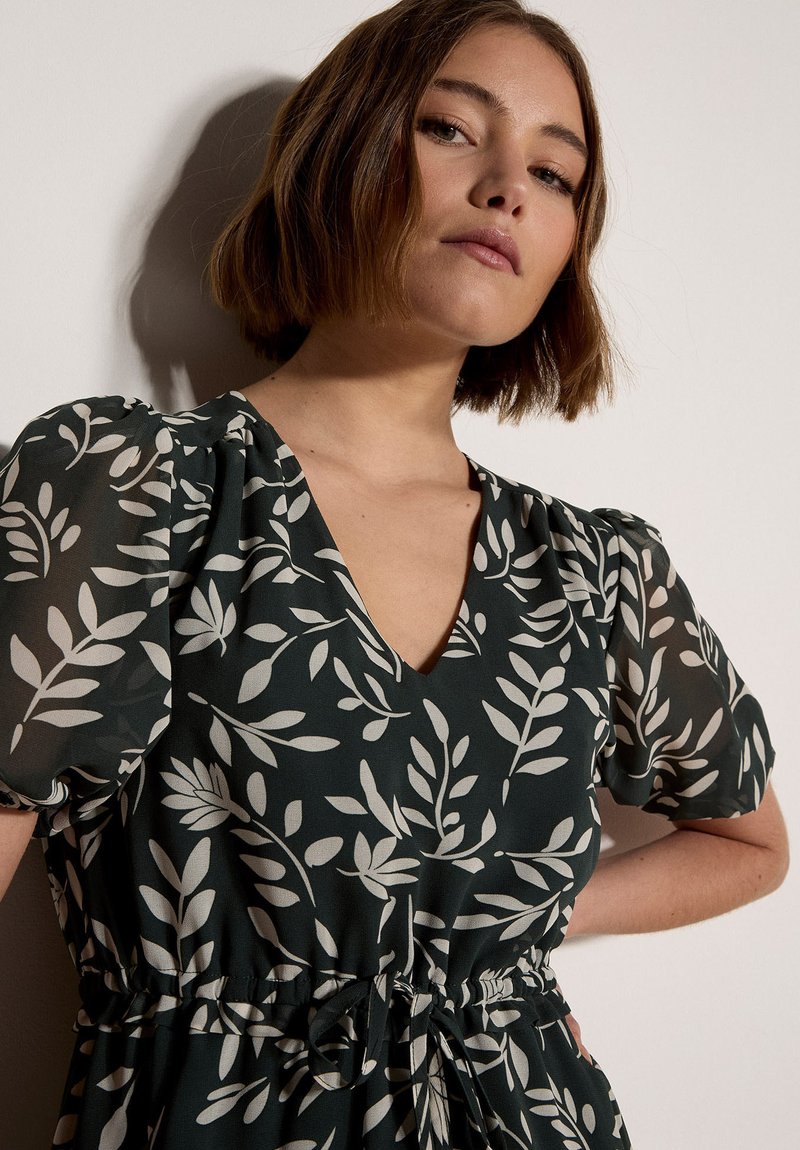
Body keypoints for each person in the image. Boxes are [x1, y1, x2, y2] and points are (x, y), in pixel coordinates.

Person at [0, 1, 788, 1147]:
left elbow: (750, 844)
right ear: (346, 151)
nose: (508, 187)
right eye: (451, 129)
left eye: (555, 174)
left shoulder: (591, 570)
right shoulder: (130, 486)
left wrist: (502, 929)